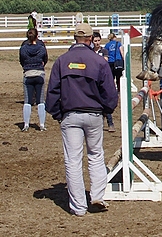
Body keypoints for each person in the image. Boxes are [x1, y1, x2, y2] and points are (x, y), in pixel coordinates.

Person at [46, 23, 118, 217]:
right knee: (95, 155)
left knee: (73, 160)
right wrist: (106, 110)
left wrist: (57, 114)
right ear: (89, 40)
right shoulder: (99, 62)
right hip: (94, 115)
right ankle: (97, 196)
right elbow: (110, 93)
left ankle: (78, 207)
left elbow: (52, 92)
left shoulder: (61, 62)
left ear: (75, 38)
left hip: (70, 115)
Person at [19, 28, 48, 131]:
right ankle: (42, 124)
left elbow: (21, 60)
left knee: (27, 101)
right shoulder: (41, 48)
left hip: (28, 74)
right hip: (39, 74)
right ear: (37, 36)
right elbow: (45, 59)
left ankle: (26, 124)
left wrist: (27, 67)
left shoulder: (23, 48)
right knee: (41, 101)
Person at [92, 32, 115, 133]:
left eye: (98, 41)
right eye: (95, 41)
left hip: (102, 78)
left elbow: (105, 61)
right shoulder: (90, 51)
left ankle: (110, 123)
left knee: (104, 101)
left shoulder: (104, 50)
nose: (97, 43)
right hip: (93, 79)